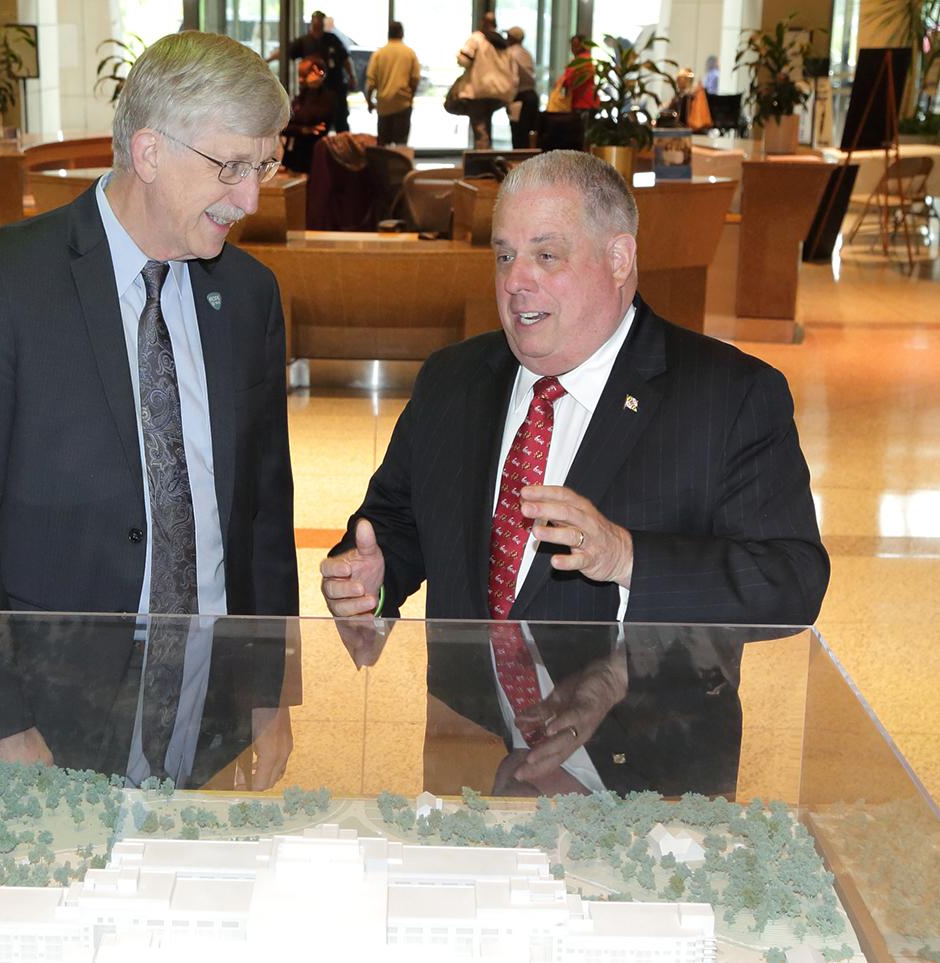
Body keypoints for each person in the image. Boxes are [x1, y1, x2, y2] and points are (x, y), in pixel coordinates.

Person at [321, 150, 829, 785]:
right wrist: (375, 576)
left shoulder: (727, 396)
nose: (515, 281)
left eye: (546, 255)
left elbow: (793, 582)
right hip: (473, 761)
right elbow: (398, 518)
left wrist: (627, 558)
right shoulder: (453, 379)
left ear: (619, 260)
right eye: (504, 255)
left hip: (648, 784)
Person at [0, 32, 299, 765]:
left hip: (207, 700)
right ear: (149, 152)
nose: (250, 197)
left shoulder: (249, 295)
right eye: (232, 166)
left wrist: (266, 691)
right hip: (49, 709)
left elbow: (262, 510)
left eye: (264, 165)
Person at [268, 10, 356, 133]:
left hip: (335, 87)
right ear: (312, 22)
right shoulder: (304, 41)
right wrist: (267, 60)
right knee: (315, 122)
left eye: (320, 21)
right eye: (315, 20)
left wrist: (352, 76)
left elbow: (345, 58)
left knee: (340, 119)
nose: (317, 23)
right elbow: (285, 52)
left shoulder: (332, 39)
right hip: (314, 92)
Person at [456, 12, 517, 149]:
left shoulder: (477, 38)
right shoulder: (503, 43)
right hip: (498, 92)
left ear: (482, 22)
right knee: (486, 125)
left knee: (479, 128)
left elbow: (464, 60)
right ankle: (488, 157)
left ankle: (481, 160)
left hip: (479, 90)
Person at [364, 21, 421, 146]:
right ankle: (401, 166)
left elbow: (371, 82)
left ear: (388, 34)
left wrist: (369, 102)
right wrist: (410, 98)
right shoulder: (409, 53)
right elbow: (415, 79)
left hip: (384, 105)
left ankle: (384, 166)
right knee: (401, 146)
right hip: (403, 104)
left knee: (384, 146)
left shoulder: (379, 54)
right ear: (402, 34)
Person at [282, 56, 334, 174]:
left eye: (304, 75)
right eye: (299, 75)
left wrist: (298, 127)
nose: (300, 79)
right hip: (294, 157)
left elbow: (315, 121)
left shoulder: (328, 97)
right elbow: (284, 126)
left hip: (314, 158)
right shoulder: (301, 97)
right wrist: (304, 129)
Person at [505, 26, 538, 149]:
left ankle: (518, 164)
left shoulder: (511, 53)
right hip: (532, 96)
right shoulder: (527, 53)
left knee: (518, 135)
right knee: (528, 135)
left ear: (512, 38)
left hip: (519, 98)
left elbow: (514, 79)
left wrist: (508, 99)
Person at [551, 34, 598, 113]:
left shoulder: (580, 61)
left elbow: (568, 81)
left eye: (576, 45)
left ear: (584, 45)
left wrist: (559, 82)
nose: (573, 49)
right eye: (572, 46)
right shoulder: (587, 59)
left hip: (582, 103)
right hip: (588, 102)